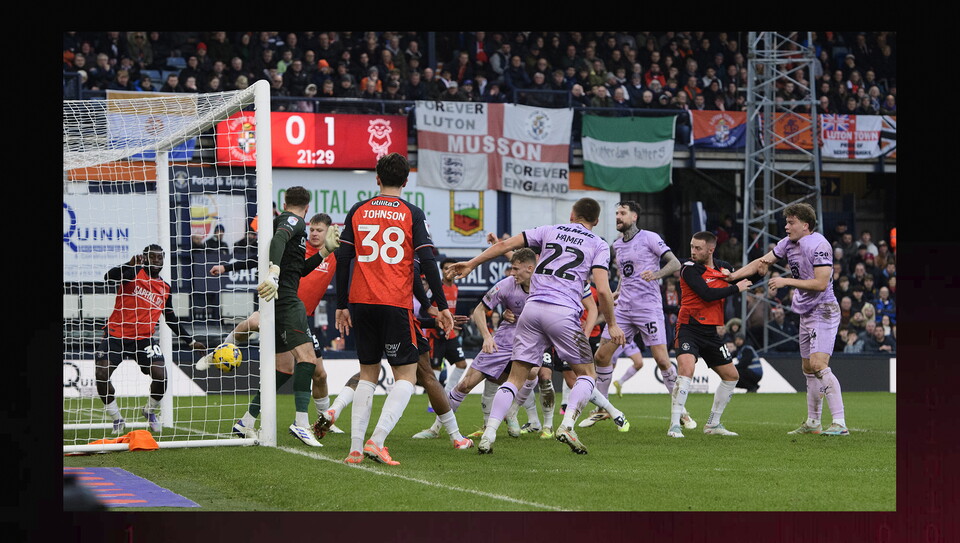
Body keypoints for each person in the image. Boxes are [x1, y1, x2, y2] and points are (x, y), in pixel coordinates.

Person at [447, 198, 627, 455]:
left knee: (515, 377)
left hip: (531, 310)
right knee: (587, 374)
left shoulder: (549, 230)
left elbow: (507, 245)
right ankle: (567, 424)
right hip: (563, 312)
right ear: (596, 222)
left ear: (571, 214)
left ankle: (489, 434)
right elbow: (603, 289)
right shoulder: (598, 244)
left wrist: (472, 263)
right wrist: (613, 324)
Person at [334, 153, 455, 465]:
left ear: (377, 178)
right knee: (406, 376)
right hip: (393, 302)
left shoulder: (358, 210)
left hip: (360, 302)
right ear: (406, 180)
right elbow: (427, 262)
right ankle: (377, 440)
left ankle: (356, 449)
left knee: (367, 374)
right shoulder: (412, 213)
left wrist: (341, 305)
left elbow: (343, 259)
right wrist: (441, 306)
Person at [201, 214, 344, 436]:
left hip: (300, 317)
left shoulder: (334, 254)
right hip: (282, 308)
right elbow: (258, 259)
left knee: (315, 374)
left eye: (319, 230)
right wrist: (227, 268)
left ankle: (323, 421)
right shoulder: (297, 248)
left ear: (328, 232)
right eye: (312, 229)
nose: (314, 234)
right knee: (253, 322)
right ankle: (220, 351)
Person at [735, 203, 849, 436]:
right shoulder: (787, 244)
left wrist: (786, 281)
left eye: (791, 222)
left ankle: (840, 422)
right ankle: (814, 422)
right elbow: (762, 262)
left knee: (819, 365)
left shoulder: (819, 245)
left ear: (805, 225)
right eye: (786, 222)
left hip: (823, 309)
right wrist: (732, 276)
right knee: (808, 368)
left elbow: (820, 283)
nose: (786, 227)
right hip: (806, 311)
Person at [243, 188, 342, 447]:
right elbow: (278, 240)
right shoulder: (294, 221)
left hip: (280, 299)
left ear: (286, 202)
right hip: (287, 300)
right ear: (307, 208)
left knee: (286, 368)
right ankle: (300, 423)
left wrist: (324, 252)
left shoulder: (299, 234)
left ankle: (246, 421)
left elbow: (299, 270)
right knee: (308, 359)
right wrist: (273, 272)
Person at [588, 201, 694, 430]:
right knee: (601, 357)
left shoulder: (649, 237)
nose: (618, 216)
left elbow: (675, 263)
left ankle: (682, 411)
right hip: (624, 309)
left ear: (634, 216)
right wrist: (617, 292)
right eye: (616, 213)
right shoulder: (616, 245)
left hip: (648, 308)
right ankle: (602, 409)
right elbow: (626, 275)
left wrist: (656, 274)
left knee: (662, 360)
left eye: (622, 213)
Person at [96, 245, 206, 434]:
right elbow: (108, 276)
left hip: (144, 340)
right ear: (145, 258)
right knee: (101, 375)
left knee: (161, 377)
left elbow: (170, 318)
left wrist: (190, 341)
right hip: (116, 335)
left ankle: (149, 410)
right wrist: (129, 264)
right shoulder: (132, 274)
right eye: (152, 257)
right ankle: (117, 419)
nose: (157, 261)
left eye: (160, 258)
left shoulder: (165, 288)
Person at [666, 231, 752, 438]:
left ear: (710, 250)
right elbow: (707, 294)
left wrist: (761, 268)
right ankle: (674, 425)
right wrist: (735, 288)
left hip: (711, 332)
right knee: (686, 369)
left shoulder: (725, 268)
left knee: (732, 376)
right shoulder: (688, 269)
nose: (693, 252)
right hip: (689, 328)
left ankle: (713, 424)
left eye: (698, 248)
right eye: (692, 247)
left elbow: (743, 278)